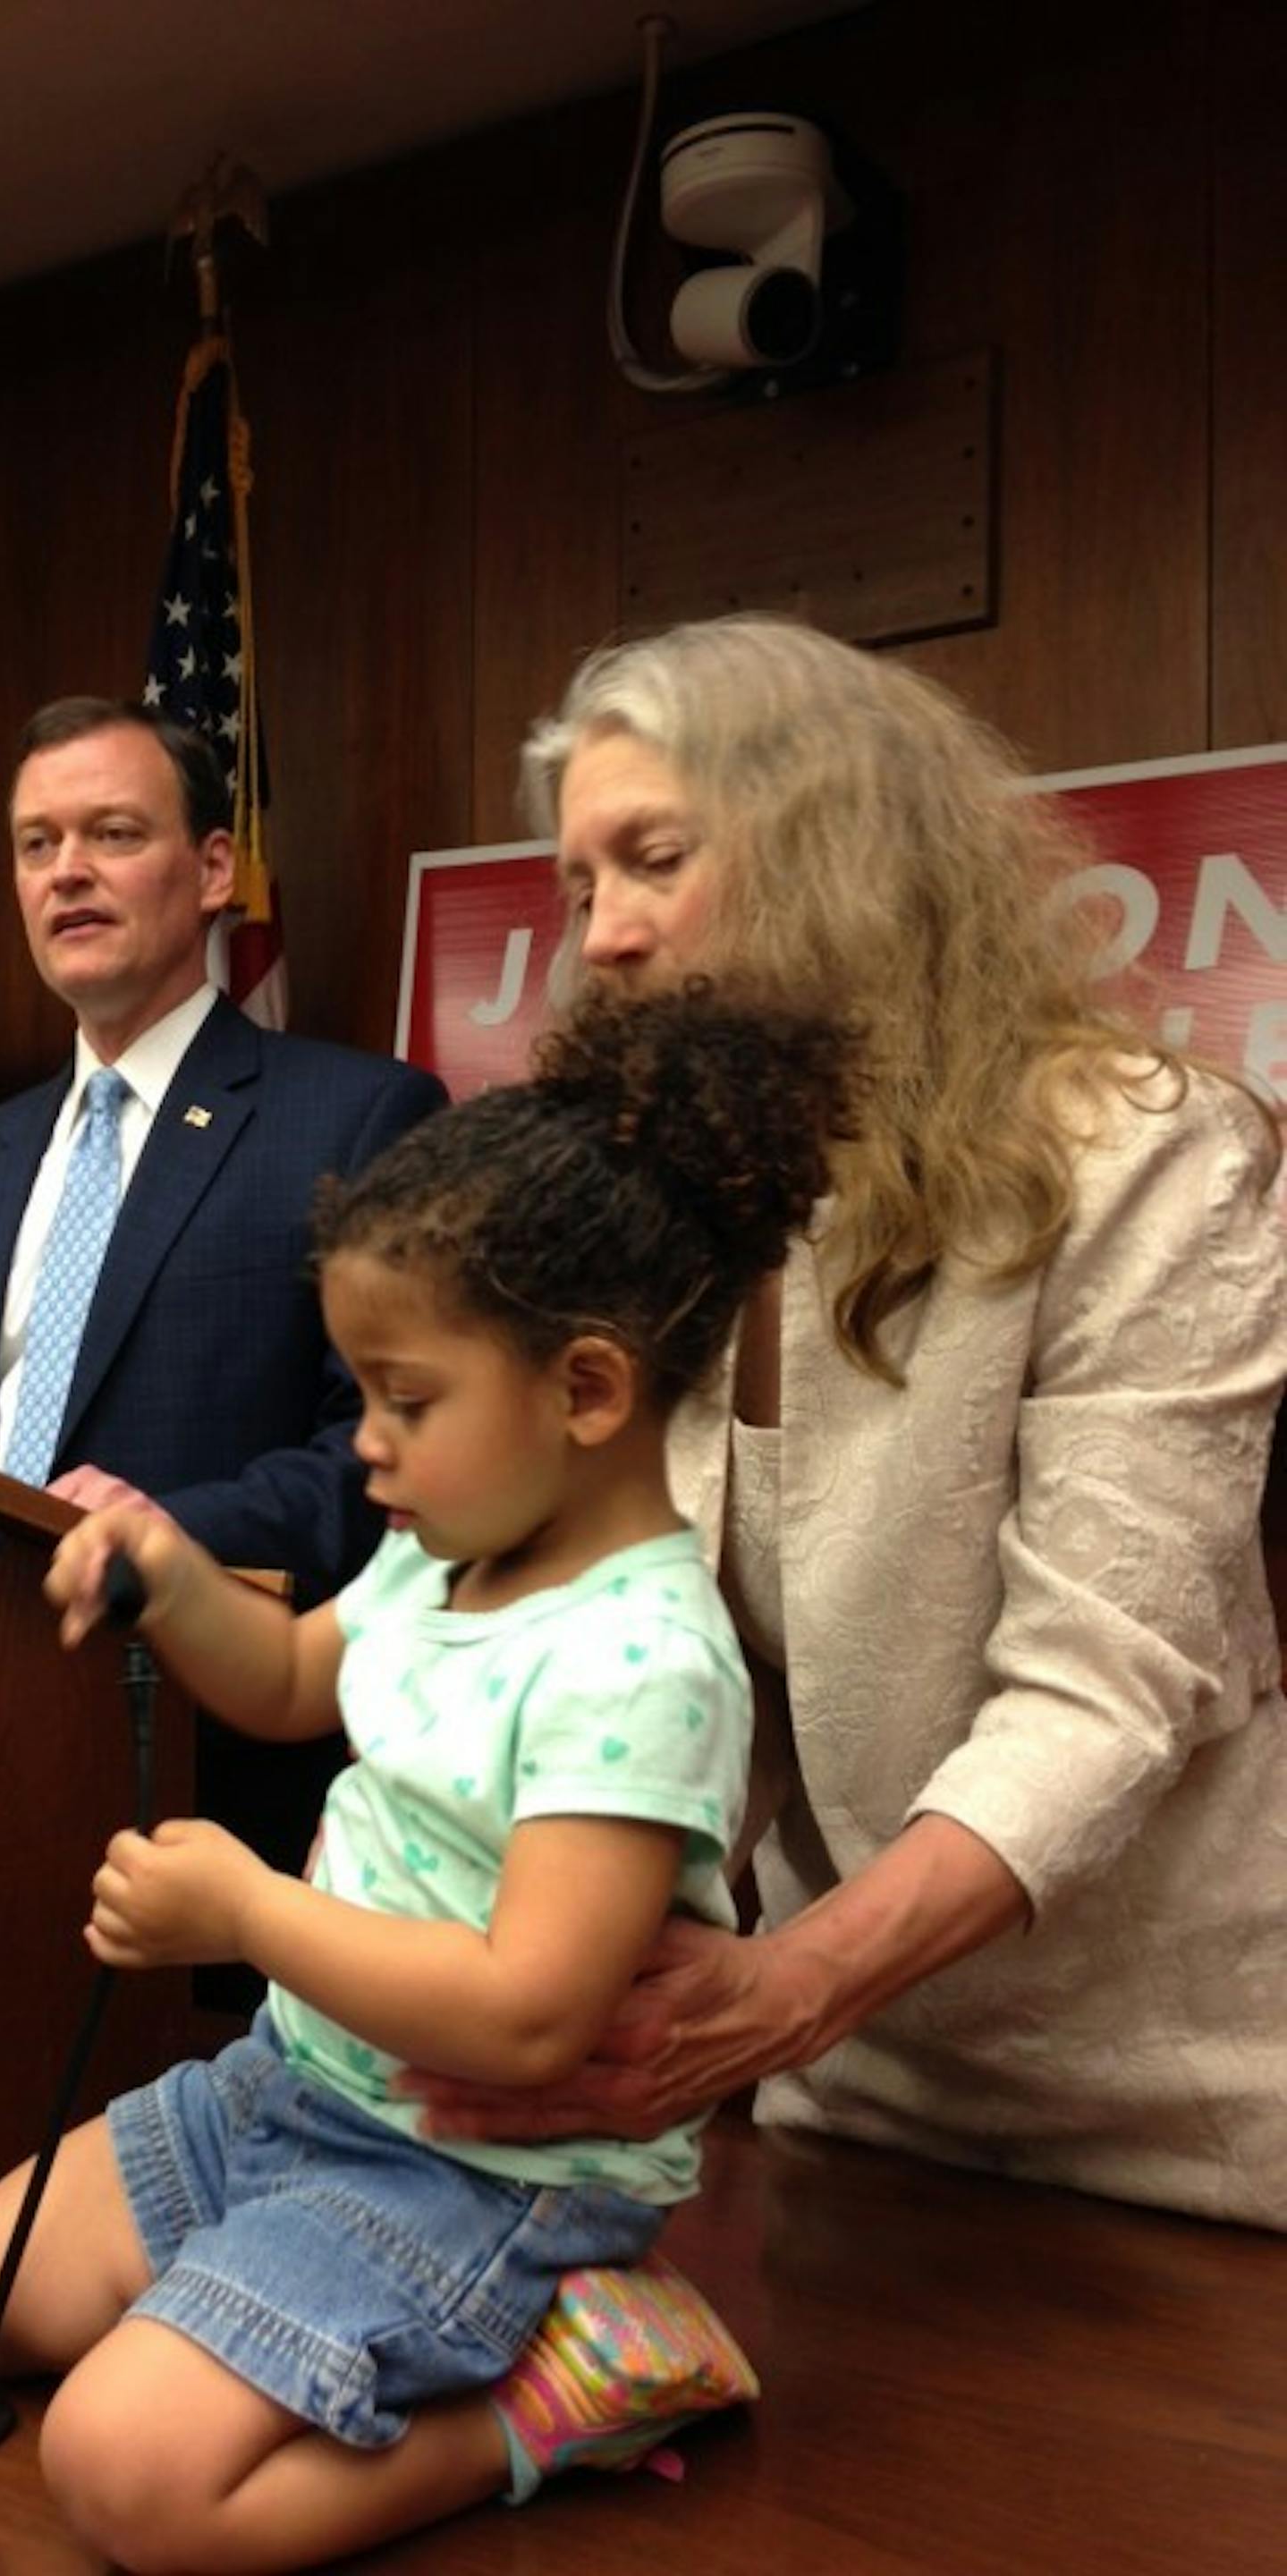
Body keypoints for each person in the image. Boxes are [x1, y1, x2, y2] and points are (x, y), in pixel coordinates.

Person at [0, 987, 850, 2572]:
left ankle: (561, 2388)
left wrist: (246, 1906)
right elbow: (295, 1683)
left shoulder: (638, 1660)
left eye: (406, 1402)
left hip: (477, 2167)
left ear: (586, 1392)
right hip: (305, 2084)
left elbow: (529, 2012)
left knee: (121, 2478)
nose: (366, 1444)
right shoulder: (448, 1551)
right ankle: (279, 2311)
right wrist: (173, 1566)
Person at [404, 613, 1287, 2235]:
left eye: (654, 860)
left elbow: (1106, 1688)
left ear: (839, 852)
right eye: (581, 886)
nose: (601, 936)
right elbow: (634, 1653)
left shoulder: (1149, 1154)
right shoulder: (672, 1213)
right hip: (841, 2098)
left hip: (1186, 2125)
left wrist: (794, 1983)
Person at [0, 699, 445, 1885]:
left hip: (214, 1764)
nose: (66, 872)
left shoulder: (357, 1117)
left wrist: (163, 1544)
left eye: (112, 834)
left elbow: (387, 1455)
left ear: (215, 867)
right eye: (35, 844)